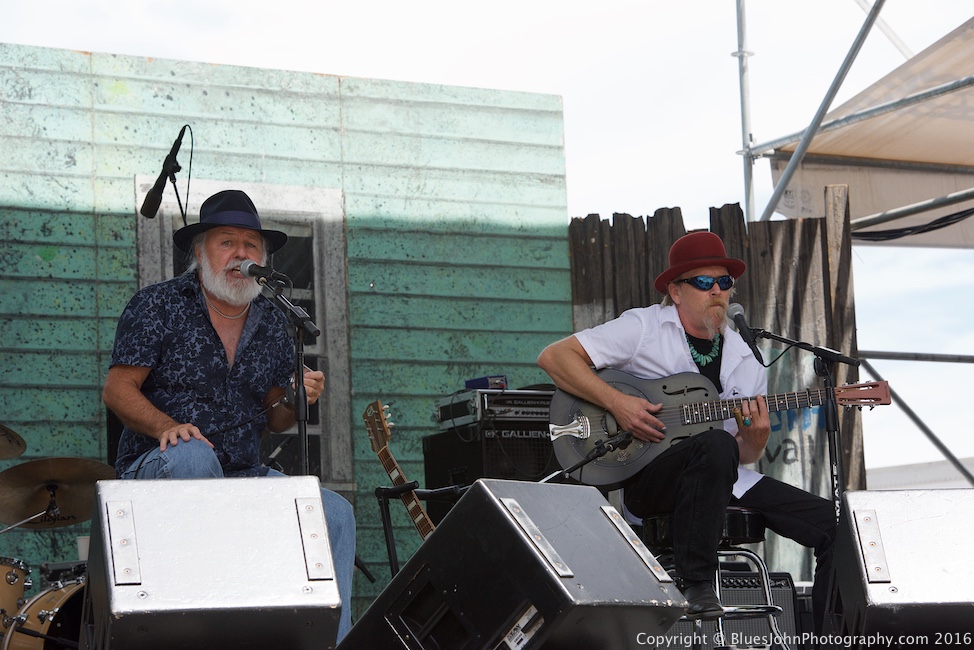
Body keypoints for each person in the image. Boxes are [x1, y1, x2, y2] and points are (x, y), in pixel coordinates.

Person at [537, 230, 834, 630]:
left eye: (724, 282)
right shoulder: (643, 328)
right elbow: (555, 357)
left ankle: (833, 636)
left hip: (722, 474)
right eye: (704, 282)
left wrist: (756, 438)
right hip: (650, 479)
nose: (717, 291)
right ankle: (696, 583)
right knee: (715, 444)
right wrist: (618, 403)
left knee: (834, 526)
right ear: (676, 292)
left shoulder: (747, 358)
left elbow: (744, 455)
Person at [103, 189, 356, 642]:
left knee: (334, 513)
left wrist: (296, 398)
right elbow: (117, 390)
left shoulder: (274, 321)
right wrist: (167, 427)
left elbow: (276, 419)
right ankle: (203, 629)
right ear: (200, 253)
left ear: (263, 259)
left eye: (250, 244)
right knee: (193, 456)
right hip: (160, 465)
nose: (241, 253)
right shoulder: (158, 304)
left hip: (242, 473)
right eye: (227, 242)